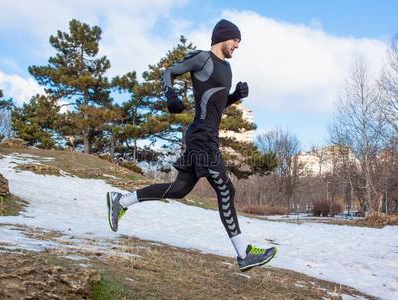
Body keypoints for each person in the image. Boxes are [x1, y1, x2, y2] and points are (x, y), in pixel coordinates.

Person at [107, 19, 277, 272]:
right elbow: (169, 72)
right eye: (235, 40)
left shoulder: (227, 69)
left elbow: (216, 107)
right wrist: (171, 96)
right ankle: (244, 253)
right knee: (226, 190)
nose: (237, 46)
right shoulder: (202, 59)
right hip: (201, 138)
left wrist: (235, 97)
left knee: (178, 189)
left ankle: (121, 201)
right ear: (223, 37)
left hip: (207, 136)